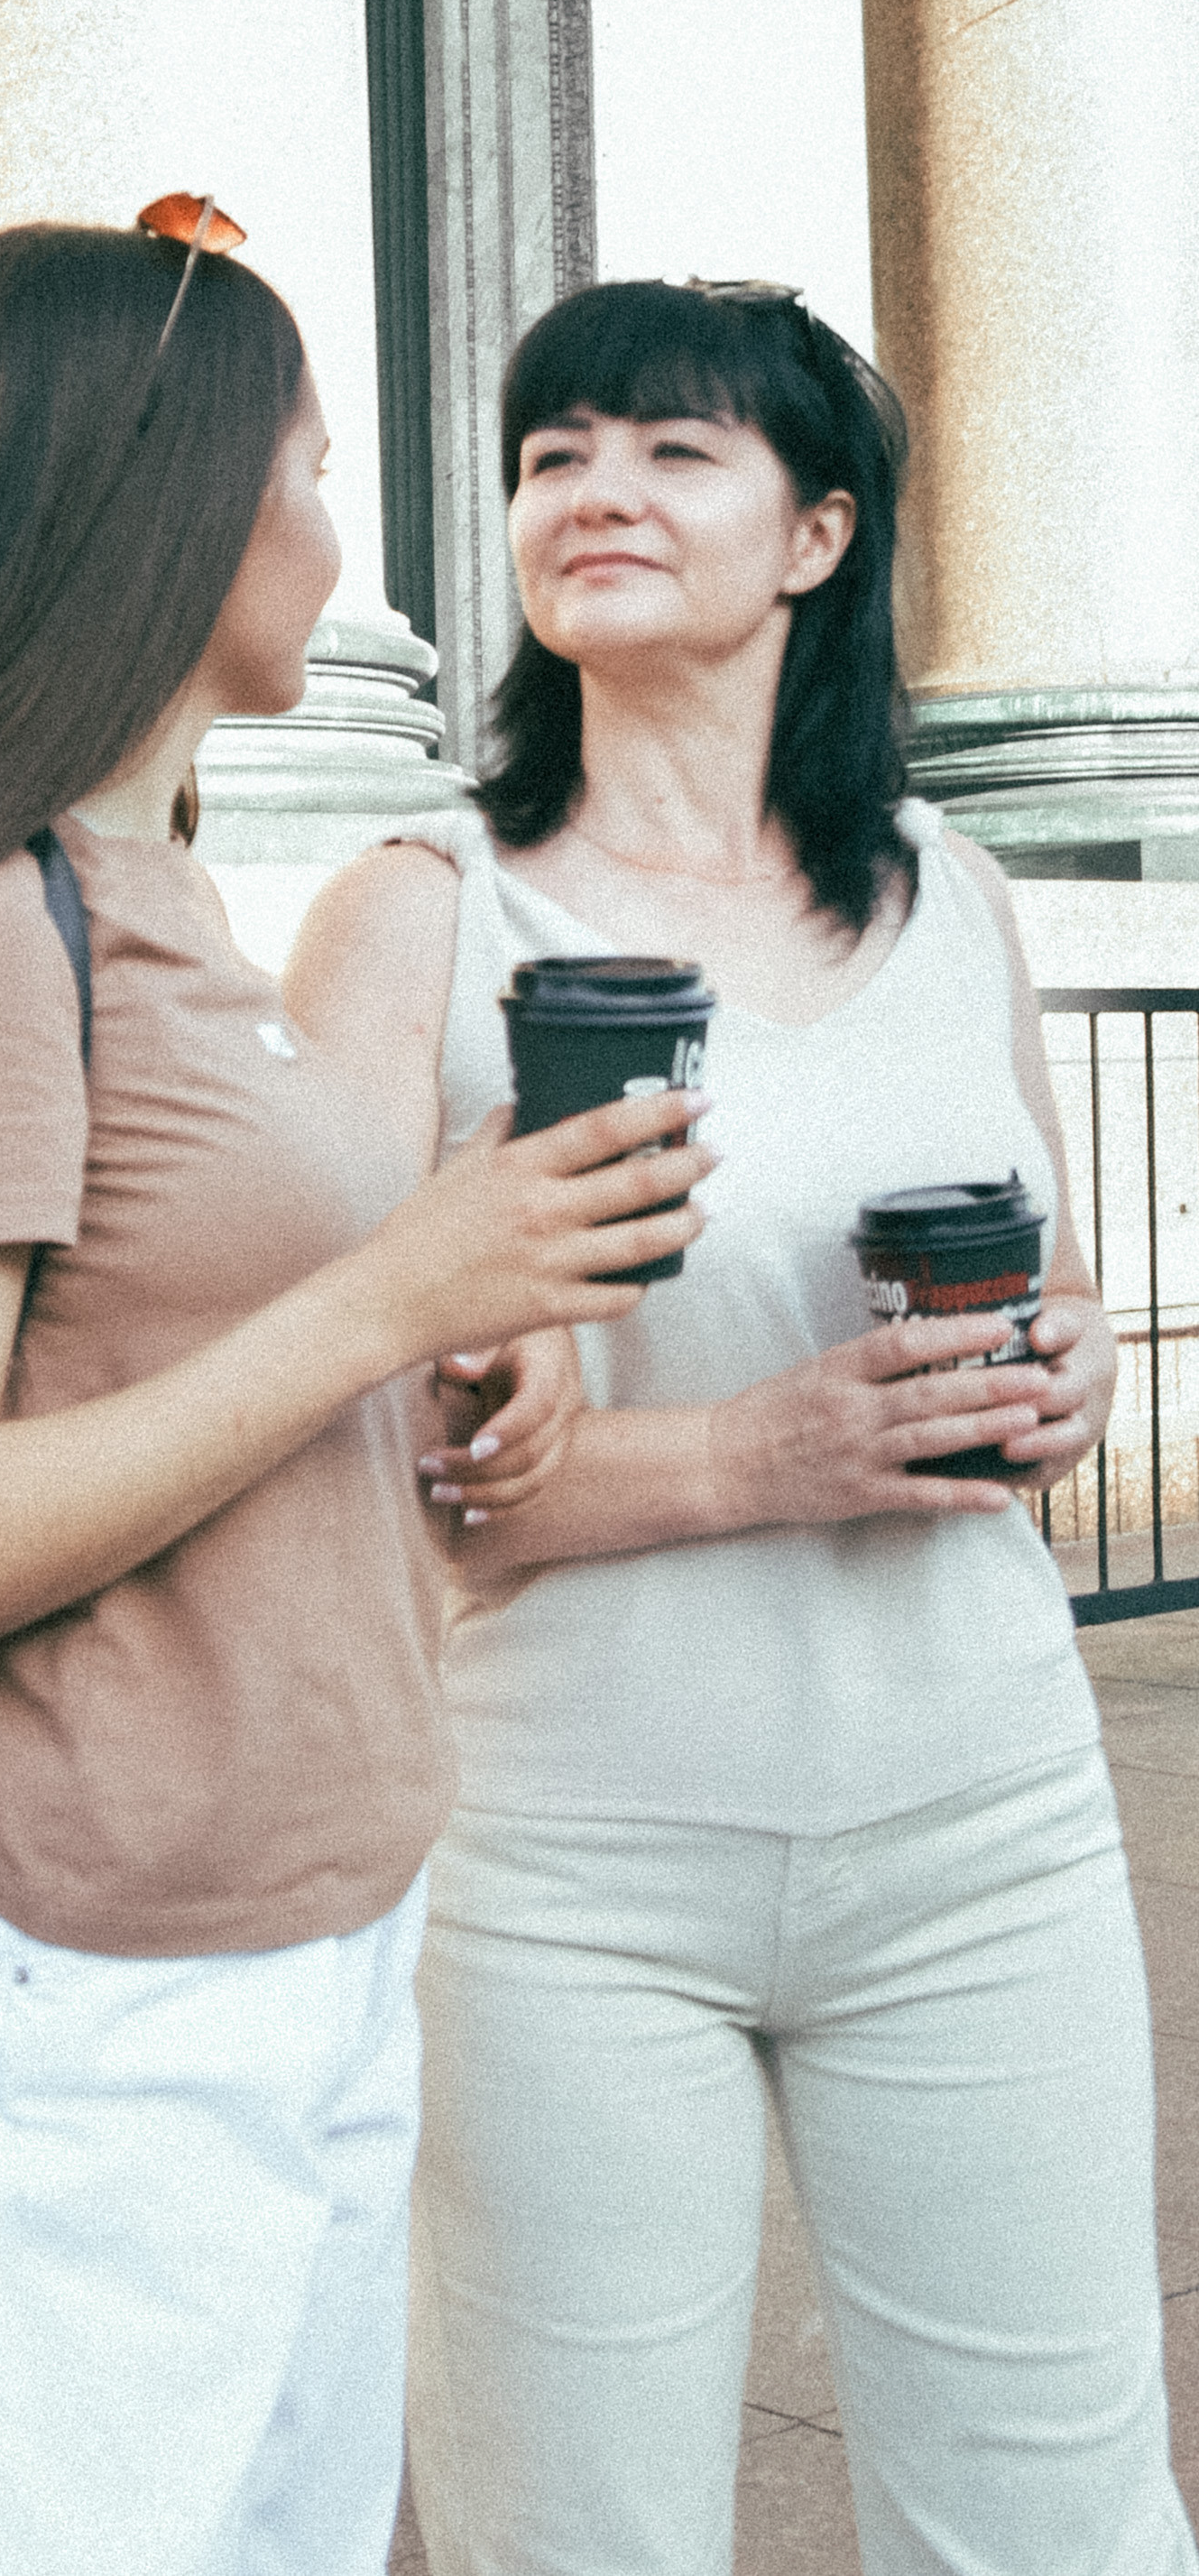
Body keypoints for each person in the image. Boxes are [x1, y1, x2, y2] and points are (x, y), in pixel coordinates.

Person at [0, 217, 715, 2575]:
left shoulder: (148, 895)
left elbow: (195, 1354)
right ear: (184, 499)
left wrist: (465, 1341)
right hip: (86, 1997)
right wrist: (373, 1308)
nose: (347, 536)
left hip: (303, 1931)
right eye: (319, 467)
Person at [285, 275, 1194, 2576]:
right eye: (548, 450)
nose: (591, 489)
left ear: (814, 535)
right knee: (570, 2527)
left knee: (1058, 2516)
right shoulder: (417, 924)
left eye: (672, 450)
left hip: (979, 1819)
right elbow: (357, 1462)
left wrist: (1060, 1366)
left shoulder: (945, 896)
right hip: (564, 1860)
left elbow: (1036, 1283)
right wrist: (747, 1459)